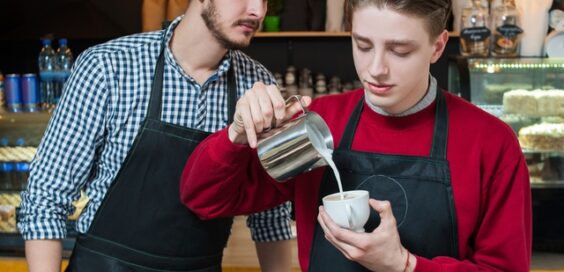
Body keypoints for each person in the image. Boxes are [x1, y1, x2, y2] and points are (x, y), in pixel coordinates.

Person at [179, 0, 532, 271]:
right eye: (363, 45)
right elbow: (204, 199)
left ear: (438, 47)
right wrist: (235, 135)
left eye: (400, 50)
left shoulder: (490, 142)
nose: (375, 69)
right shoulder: (320, 123)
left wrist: (404, 264)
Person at [18, 0, 295, 271]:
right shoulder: (109, 66)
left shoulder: (256, 84)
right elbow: (46, 197)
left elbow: (270, 216)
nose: (257, 11)